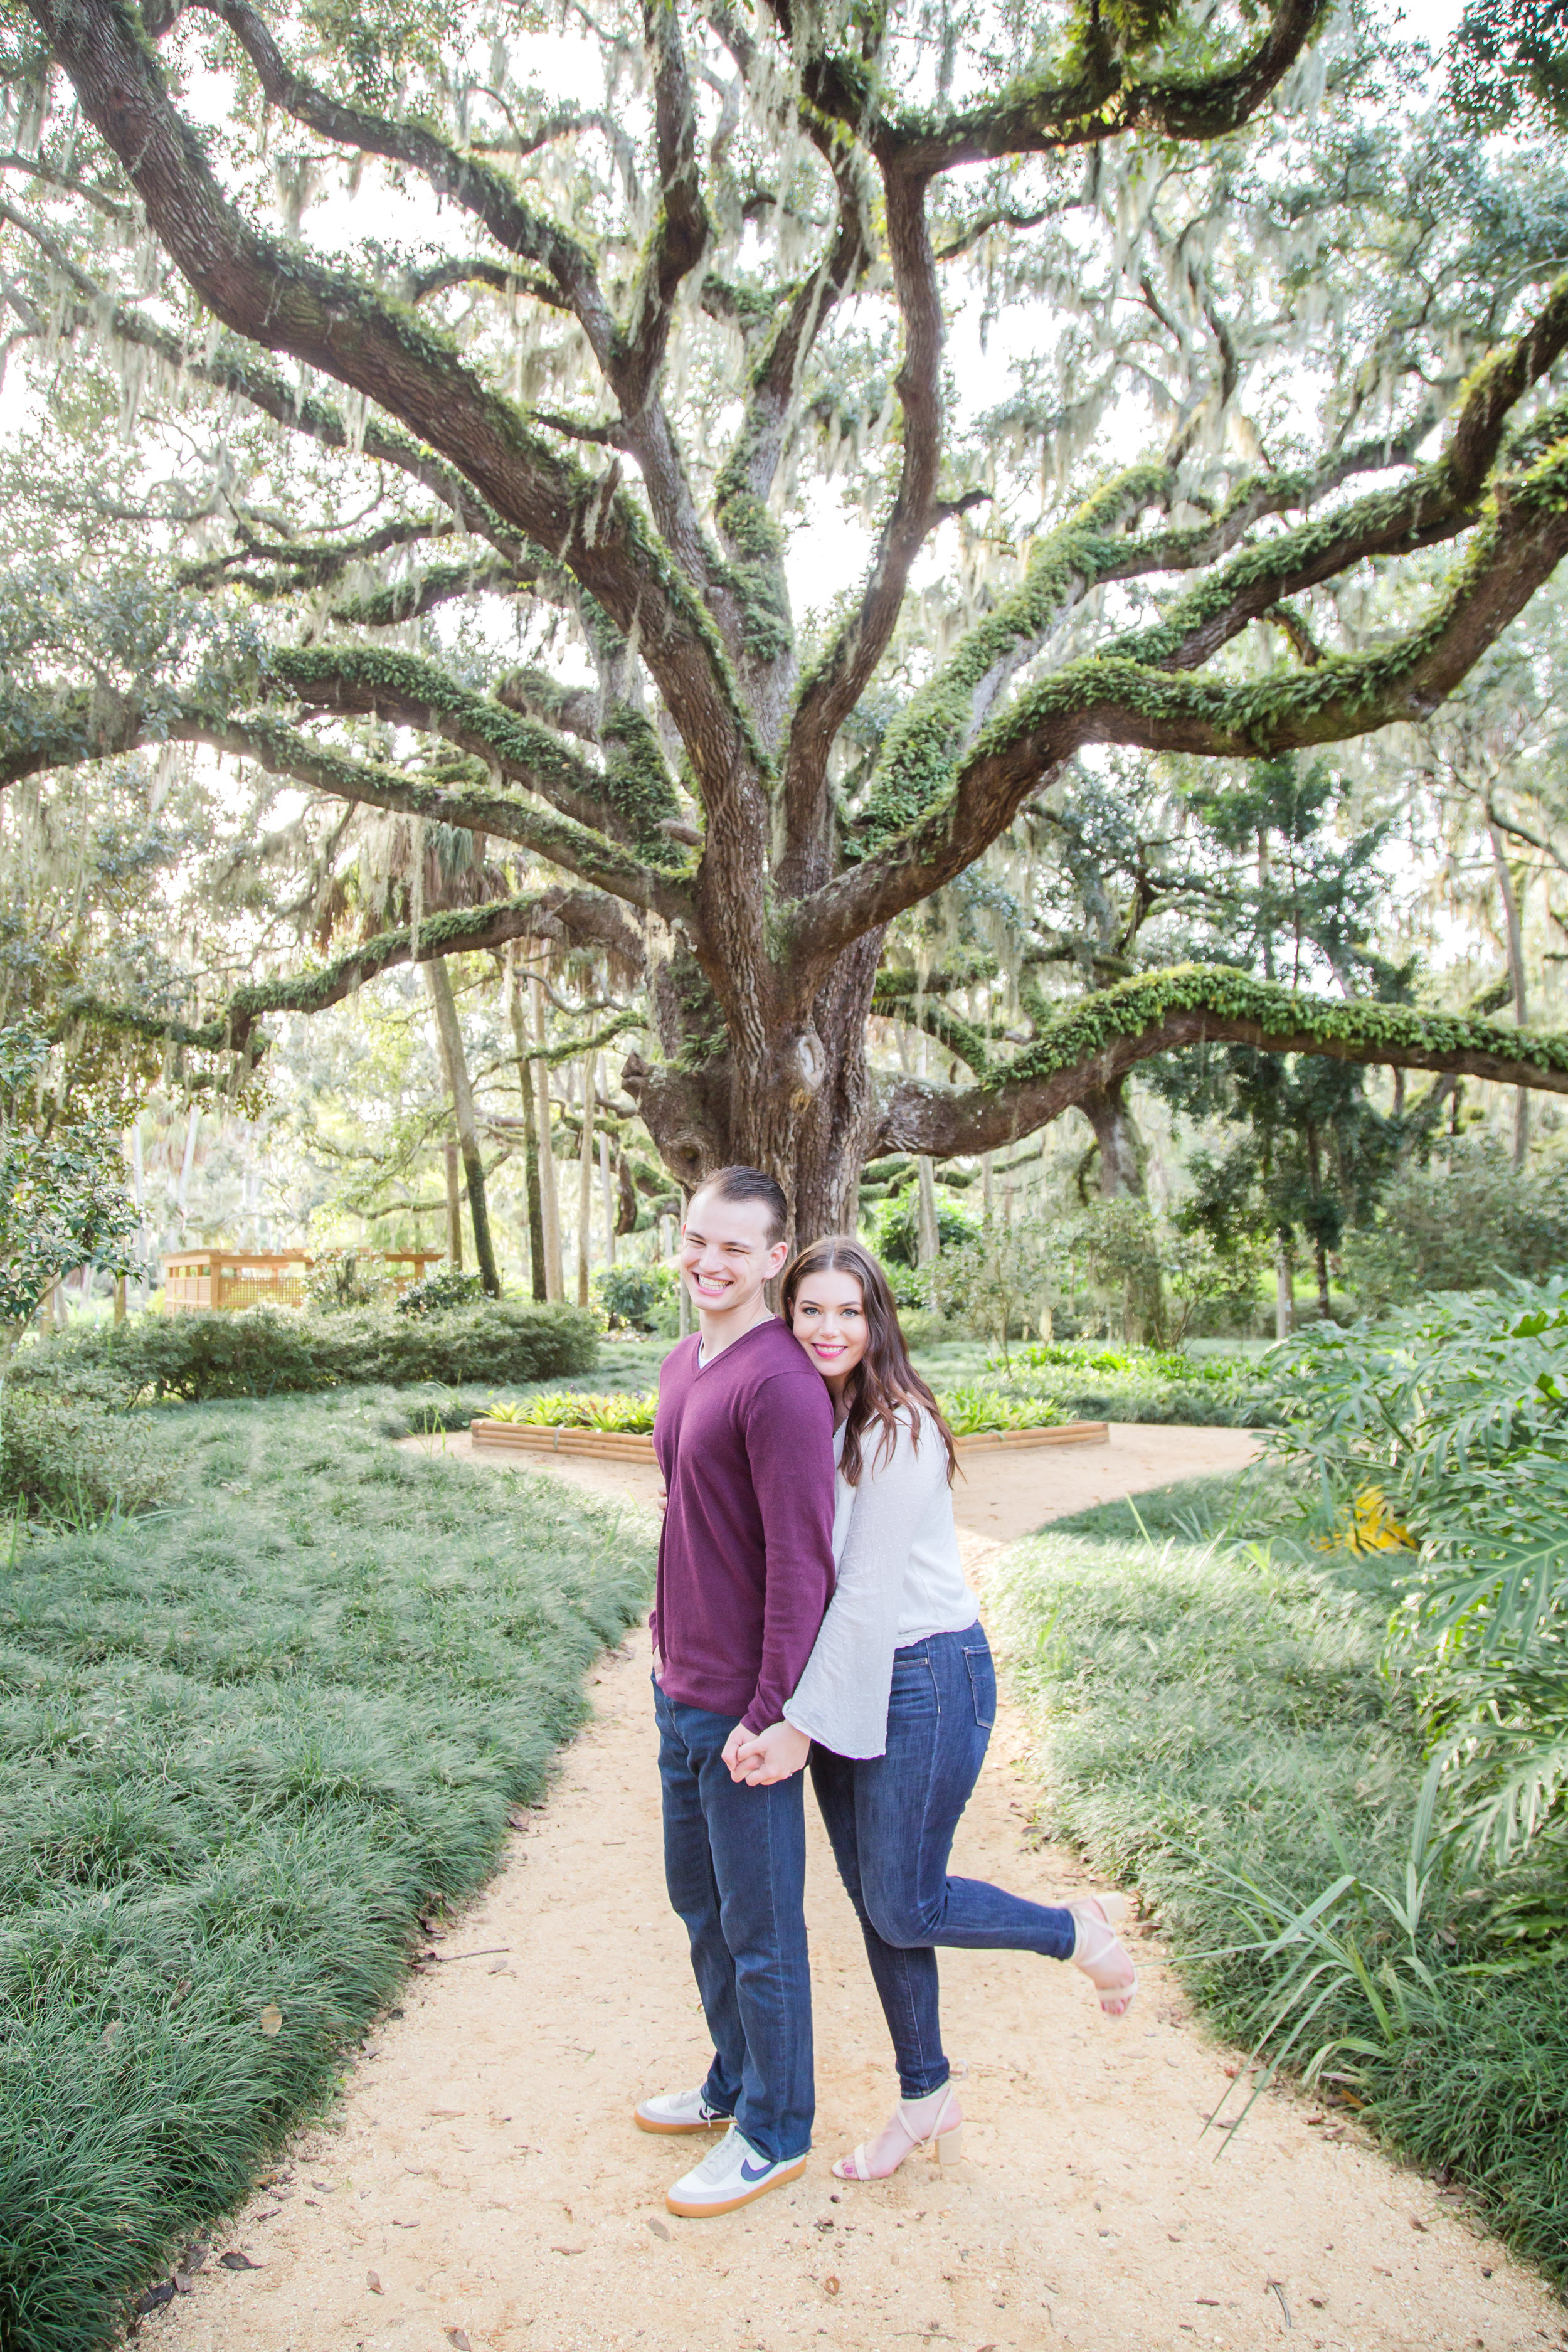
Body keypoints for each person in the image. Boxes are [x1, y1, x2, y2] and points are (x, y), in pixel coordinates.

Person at [730, 1236, 1136, 2183]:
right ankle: (926, 2096)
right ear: (788, 1318)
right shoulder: (814, 1419)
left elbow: (868, 1589)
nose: (829, 1328)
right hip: (845, 1673)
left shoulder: (897, 1425)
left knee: (907, 1899)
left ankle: (1074, 1930)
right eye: (811, 1309)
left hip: (925, 1674)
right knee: (882, 1907)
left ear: (878, 1322)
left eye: (849, 1310)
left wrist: (796, 1722)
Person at [635, 1167, 838, 2218]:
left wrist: (773, 1711)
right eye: (695, 1240)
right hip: (680, 1689)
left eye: (733, 1248)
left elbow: (803, 1567)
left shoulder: (782, 1384)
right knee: (700, 1906)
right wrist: (665, 1645)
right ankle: (732, 2083)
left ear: (773, 1259)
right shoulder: (684, 1362)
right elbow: (686, 1517)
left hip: (742, 1712)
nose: (707, 1262)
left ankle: (776, 2129)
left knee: (762, 1928)